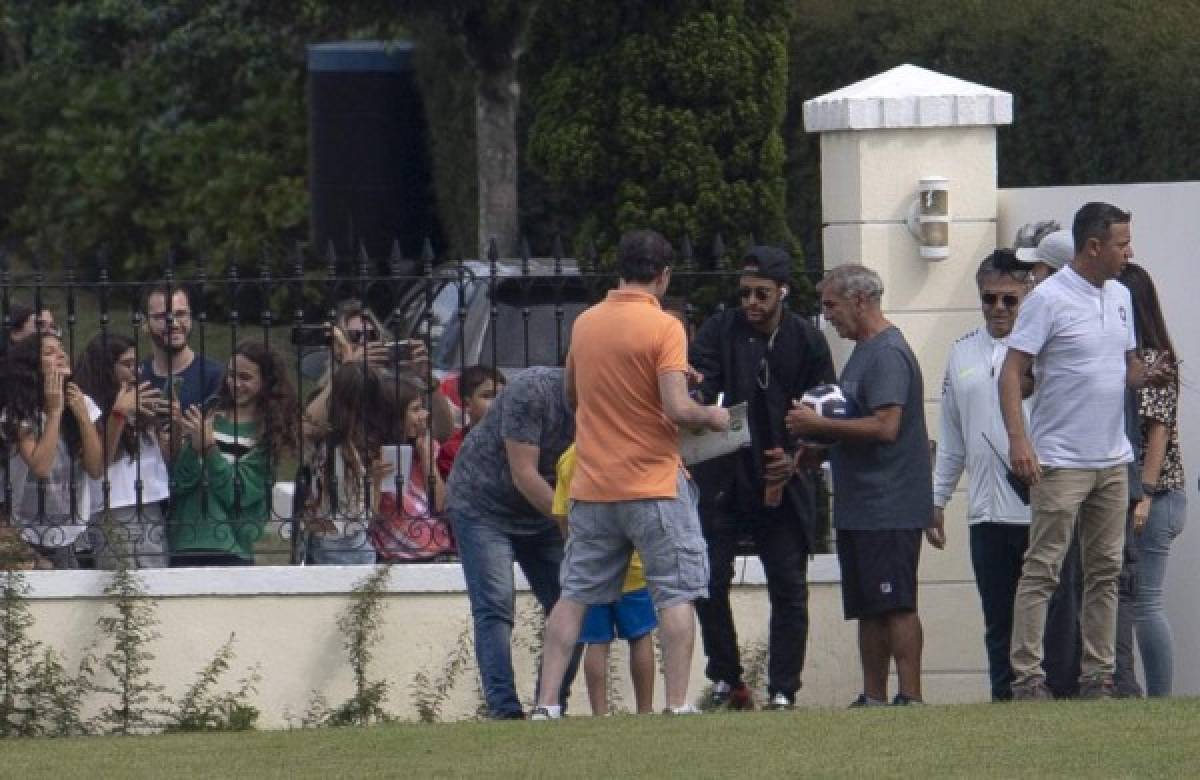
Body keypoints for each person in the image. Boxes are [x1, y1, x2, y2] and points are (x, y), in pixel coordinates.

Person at [532, 229, 729, 719]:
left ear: (618, 270)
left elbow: (575, 396)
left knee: (573, 595)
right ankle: (678, 703)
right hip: (654, 483)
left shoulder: (586, 323)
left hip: (594, 485)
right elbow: (677, 407)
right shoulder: (664, 327)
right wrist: (715, 417)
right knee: (676, 591)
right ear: (664, 276)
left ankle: (546, 702)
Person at [999, 202, 1168, 700]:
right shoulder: (1047, 299)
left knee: (1106, 572)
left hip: (1112, 460)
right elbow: (1012, 372)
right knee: (1043, 569)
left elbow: (1125, 368)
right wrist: (1019, 441)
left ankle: (1099, 676)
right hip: (1060, 460)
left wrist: (1146, 375)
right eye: (1121, 243)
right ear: (1093, 247)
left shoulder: (1119, 295)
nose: (1129, 252)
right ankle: (1027, 677)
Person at [689, 245, 835, 711]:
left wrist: (797, 458)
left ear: (783, 292)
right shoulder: (720, 329)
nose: (751, 302)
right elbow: (702, 389)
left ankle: (783, 688)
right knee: (710, 578)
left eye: (762, 294)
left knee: (788, 584)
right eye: (746, 293)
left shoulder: (807, 340)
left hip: (782, 479)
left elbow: (826, 407)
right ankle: (726, 678)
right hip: (724, 477)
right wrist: (701, 403)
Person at [785, 263, 933, 707]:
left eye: (831, 304)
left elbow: (887, 426)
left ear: (860, 300)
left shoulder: (887, 353)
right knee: (868, 607)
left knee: (896, 603)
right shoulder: (862, 351)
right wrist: (821, 445)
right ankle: (873, 696)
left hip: (889, 501)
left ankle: (910, 696)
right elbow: (855, 421)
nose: (826, 315)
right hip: (860, 504)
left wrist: (816, 423)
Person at [445, 366, 579, 719]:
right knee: (496, 606)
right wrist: (570, 524)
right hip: (482, 504)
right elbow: (524, 473)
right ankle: (504, 710)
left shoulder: (605, 401)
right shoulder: (531, 391)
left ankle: (549, 705)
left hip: (542, 510)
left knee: (574, 601)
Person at [169, 341, 299, 566]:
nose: (236, 384)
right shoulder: (210, 415)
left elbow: (237, 494)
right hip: (187, 540)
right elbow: (180, 481)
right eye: (231, 375)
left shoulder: (267, 433)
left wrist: (209, 450)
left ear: (266, 382)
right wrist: (191, 447)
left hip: (232, 544)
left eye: (246, 378)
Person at [1120, 262, 1186, 697]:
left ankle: (1161, 698)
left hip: (1156, 494)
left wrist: (1142, 494)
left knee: (1145, 603)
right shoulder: (1130, 359)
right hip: (1148, 494)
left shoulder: (1154, 358)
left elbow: (1158, 430)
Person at [554, 443, 657, 716]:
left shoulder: (569, 458)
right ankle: (645, 710)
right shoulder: (629, 450)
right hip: (632, 565)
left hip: (592, 569)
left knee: (596, 642)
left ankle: (600, 713)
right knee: (640, 635)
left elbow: (563, 517)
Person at [0, 334, 104, 568]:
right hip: (25, 532)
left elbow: (96, 469)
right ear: (31, 367)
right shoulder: (18, 412)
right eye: (49, 352)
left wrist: (83, 418)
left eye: (62, 349)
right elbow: (41, 466)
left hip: (71, 530)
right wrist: (54, 412)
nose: (61, 355)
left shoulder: (82, 403)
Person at [73, 333, 170, 568]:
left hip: (150, 501)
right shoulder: (88, 404)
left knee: (156, 582)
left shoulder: (137, 399)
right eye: (127, 365)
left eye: (136, 364)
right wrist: (119, 415)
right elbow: (99, 463)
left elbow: (159, 458)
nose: (135, 371)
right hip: (113, 506)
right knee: (122, 583)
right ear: (106, 368)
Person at [369, 380, 451, 561]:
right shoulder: (375, 454)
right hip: (397, 553)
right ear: (395, 415)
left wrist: (427, 459)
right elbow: (370, 518)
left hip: (437, 549)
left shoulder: (426, 448)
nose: (425, 415)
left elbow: (440, 505)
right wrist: (374, 483)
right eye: (415, 409)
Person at [139, 285, 224, 420]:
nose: (174, 323)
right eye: (162, 316)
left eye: (181, 314)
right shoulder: (137, 375)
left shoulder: (216, 376)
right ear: (144, 323)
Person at [436, 365, 506, 480]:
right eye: (487, 396)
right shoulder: (453, 449)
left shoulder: (516, 442)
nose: (498, 402)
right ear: (467, 404)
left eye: (502, 396)